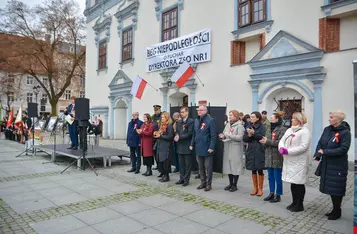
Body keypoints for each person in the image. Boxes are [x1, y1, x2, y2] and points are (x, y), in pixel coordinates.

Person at [314, 111, 351, 220]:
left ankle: (337, 210)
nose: (329, 119)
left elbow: (343, 149)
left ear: (338, 120)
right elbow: (320, 143)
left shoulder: (345, 132)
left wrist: (325, 152)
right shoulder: (327, 129)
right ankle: (334, 209)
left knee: (336, 188)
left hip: (338, 165)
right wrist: (317, 155)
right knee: (331, 187)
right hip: (327, 163)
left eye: (331, 117)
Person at [279, 112, 310, 212]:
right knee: (293, 182)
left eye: (293, 118)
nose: (291, 120)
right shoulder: (289, 130)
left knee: (299, 183)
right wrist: (281, 148)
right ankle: (294, 202)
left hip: (299, 161)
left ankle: (299, 204)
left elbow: (303, 147)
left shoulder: (305, 131)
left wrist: (288, 151)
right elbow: (282, 140)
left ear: (299, 120)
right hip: (289, 160)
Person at [260, 112, 287, 203]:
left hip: (277, 156)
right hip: (268, 155)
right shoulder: (268, 129)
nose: (271, 119)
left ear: (277, 119)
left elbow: (280, 142)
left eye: (272, 118)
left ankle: (278, 194)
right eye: (270, 118)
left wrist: (267, 141)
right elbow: (266, 140)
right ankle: (271, 193)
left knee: (277, 177)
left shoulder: (282, 129)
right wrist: (264, 142)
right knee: (270, 176)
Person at [190, 105, 217, 192]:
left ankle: (209, 184)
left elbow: (213, 135)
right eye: (198, 110)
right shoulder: (196, 120)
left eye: (201, 110)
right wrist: (192, 144)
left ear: (205, 111)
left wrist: (211, 147)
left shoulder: (210, 120)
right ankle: (203, 182)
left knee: (208, 167)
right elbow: (194, 134)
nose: (199, 112)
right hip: (198, 146)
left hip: (207, 147)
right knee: (200, 167)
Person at [219, 110, 244, 192]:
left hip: (235, 148)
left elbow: (240, 137)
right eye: (229, 115)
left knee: (235, 166)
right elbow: (224, 133)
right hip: (228, 147)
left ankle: (235, 184)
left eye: (231, 115)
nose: (230, 117)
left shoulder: (240, 126)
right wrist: (222, 136)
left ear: (236, 116)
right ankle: (230, 183)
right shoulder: (228, 125)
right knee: (229, 166)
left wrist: (229, 135)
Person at [243, 111, 266, 196]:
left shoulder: (262, 126)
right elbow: (244, 139)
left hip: (259, 149)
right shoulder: (248, 126)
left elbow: (261, 137)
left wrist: (253, 133)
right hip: (251, 149)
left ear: (258, 118)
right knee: (253, 169)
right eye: (251, 117)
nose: (251, 118)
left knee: (259, 168)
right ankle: (255, 188)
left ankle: (260, 189)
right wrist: (249, 135)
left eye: (253, 117)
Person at [174, 106, 194, 186]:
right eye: (180, 112)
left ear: (187, 112)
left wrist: (180, 137)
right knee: (181, 164)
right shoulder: (179, 122)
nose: (181, 114)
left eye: (182, 112)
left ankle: (186, 180)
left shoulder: (190, 121)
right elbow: (177, 132)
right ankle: (181, 178)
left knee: (187, 165)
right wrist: (176, 135)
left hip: (187, 145)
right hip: (180, 145)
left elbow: (190, 133)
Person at [154, 112, 173, 182]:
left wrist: (161, 136)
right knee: (161, 160)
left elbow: (170, 136)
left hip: (167, 146)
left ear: (167, 118)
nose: (162, 119)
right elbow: (160, 133)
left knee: (166, 161)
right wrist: (156, 133)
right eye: (161, 117)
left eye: (163, 117)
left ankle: (166, 176)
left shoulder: (169, 126)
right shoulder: (162, 126)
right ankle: (163, 174)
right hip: (161, 145)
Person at [152, 105, 162, 170]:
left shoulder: (162, 116)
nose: (156, 111)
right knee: (155, 152)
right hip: (153, 137)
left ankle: (161, 166)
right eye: (155, 110)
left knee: (159, 152)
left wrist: (158, 132)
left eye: (157, 110)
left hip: (160, 137)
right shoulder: (153, 117)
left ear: (160, 110)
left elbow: (162, 126)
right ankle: (158, 165)